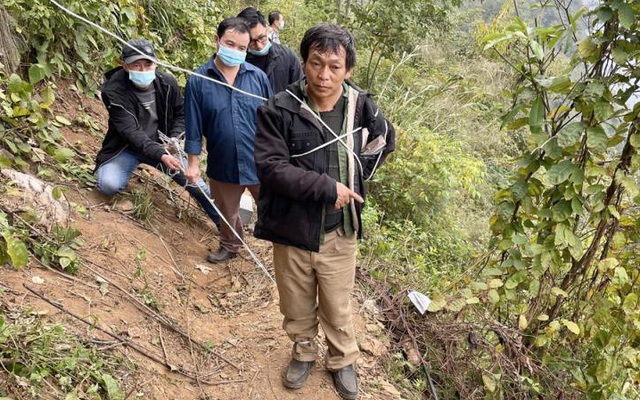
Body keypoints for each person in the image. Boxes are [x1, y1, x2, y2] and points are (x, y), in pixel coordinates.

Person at [254, 24, 395, 399]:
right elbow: (270, 168)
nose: (324, 75)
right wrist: (327, 187)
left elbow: (385, 140)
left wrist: (360, 176)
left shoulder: (362, 106)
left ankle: (342, 359)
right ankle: (303, 352)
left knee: (337, 303)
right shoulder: (279, 109)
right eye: (316, 63)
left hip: (338, 231)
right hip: (292, 228)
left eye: (335, 66)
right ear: (304, 62)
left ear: (348, 69)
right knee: (295, 301)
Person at [95, 38, 220, 229]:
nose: (143, 70)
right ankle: (128, 167)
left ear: (155, 63)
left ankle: (225, 226)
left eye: (148, 64)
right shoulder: (114, 90)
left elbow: (181, 114)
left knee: (197, 186)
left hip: (164, 147)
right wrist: (159, 153)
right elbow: (130, 131)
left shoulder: (166, 83)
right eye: (136, 65)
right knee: (108, 185)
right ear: (124, 65)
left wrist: (174, 139)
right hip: (128, 148)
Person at [184, 18, 272, 263]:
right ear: (217, 40)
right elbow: (193, 125)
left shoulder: (258, 78)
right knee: (227, 210)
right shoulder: (199, 81)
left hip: (259, 160)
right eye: (229, 44)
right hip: (223, 161)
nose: (235, 51)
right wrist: (193, 163)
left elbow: (273, 119)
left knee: (273, 207)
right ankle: (230, 245)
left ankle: (281, 248)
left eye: (242, 48)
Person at [237, 7, 303, 94]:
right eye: (251, 42)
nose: (259, 46)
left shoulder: (287, 57)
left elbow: (301, 92)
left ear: (266, 29)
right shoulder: (239, 62)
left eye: (262, 38)